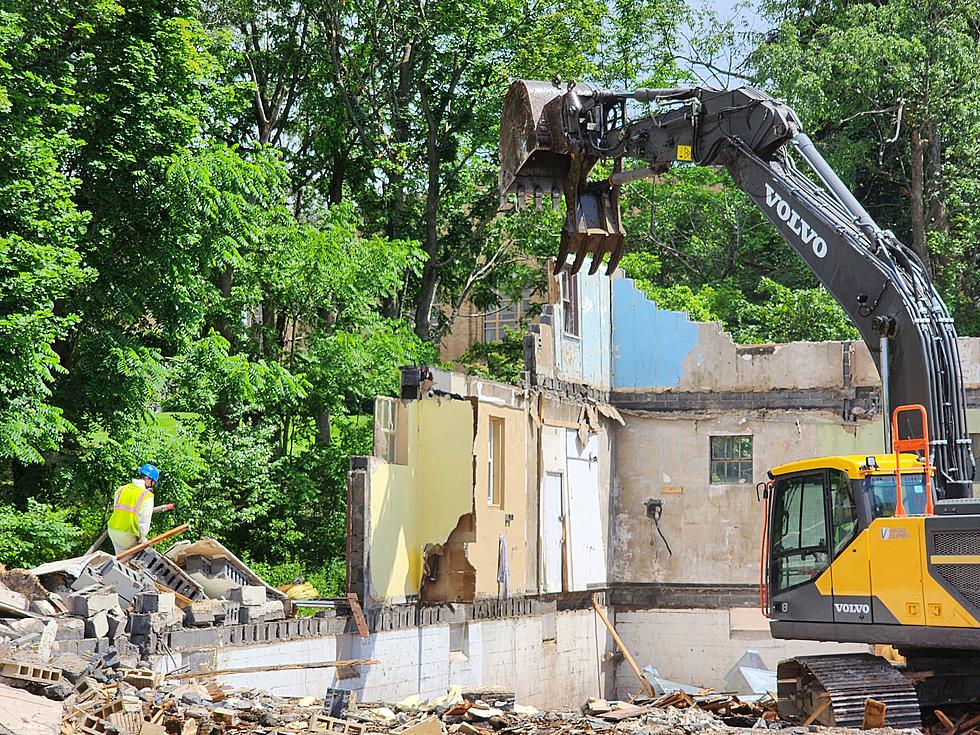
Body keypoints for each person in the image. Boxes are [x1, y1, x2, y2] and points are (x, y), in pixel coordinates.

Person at [107, 464, 159, 554]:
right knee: (134, 561)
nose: (152, 485)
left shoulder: (122, 489)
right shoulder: (147, 495)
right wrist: (143, 539)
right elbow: (144, 520)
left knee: (121, 560)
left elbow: (116, 509)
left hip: (112, 530)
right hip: (129, 535)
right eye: (153, 482)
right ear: (149, 480)